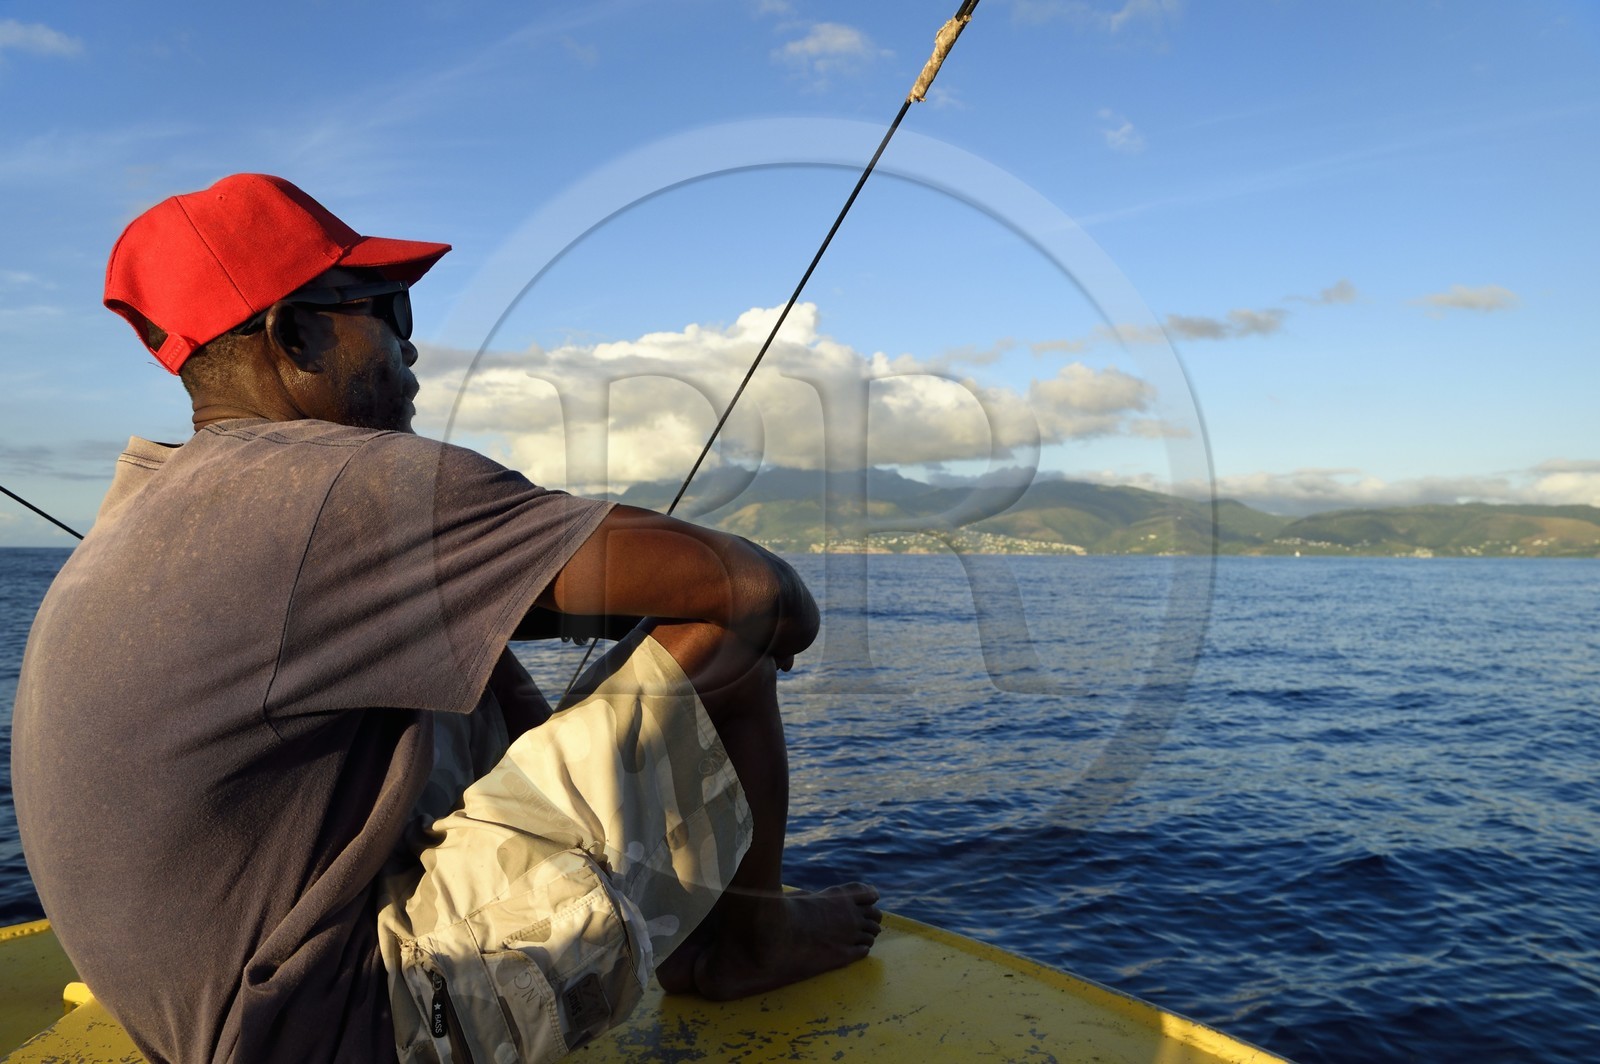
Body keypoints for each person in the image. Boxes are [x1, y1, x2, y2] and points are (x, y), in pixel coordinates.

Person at [11, 173, 880, 1064]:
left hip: (199, 1011)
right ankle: (747, 938)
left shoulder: (150, 509)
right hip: (337, 1028)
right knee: (732, 637)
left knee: (469, 636)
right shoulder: (346, 489)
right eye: (389, 311)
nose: (411, 351)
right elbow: (759, 593)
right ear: (296, 334)